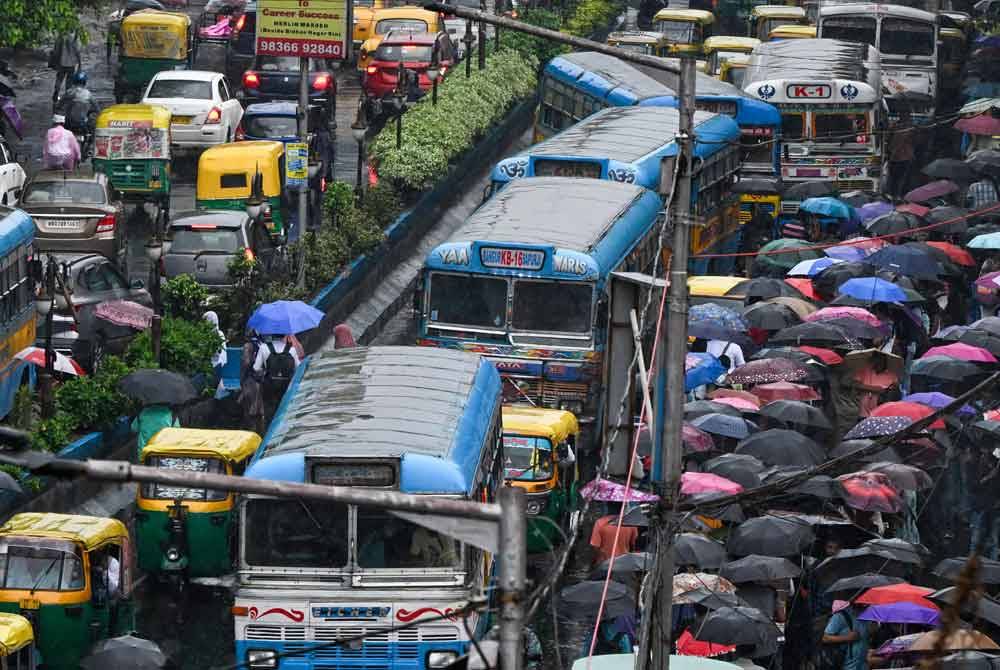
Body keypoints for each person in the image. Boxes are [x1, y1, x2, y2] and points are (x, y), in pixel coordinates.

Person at [252, 332, 302, 418]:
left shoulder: (264, 347)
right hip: (286, 387)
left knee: (269, 413)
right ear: (285, 335)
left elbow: (256, 368)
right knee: (285, 412)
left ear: (271, 334)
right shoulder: (291, 349)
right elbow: (299, 369)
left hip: (269, 387)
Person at [821, 600, 871, 670]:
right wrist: (847, 638)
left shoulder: (867, 617)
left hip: (862, 665)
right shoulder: (840, 616)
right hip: (846, 665)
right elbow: (825, 638)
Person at [57, 71, 99, 139]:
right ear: (85, 82)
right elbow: (96, 106)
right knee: (93, 129)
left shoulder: (70, 92)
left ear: (74, 81)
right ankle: (90, 145)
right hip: (82, 122)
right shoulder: (88, 94)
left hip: (69, 122)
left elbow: (61, 103)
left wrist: (58, 107)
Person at [887, 114, 915, 200]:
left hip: (898, 157)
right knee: (899, 178)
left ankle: (895, 195)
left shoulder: (895, 127)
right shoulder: (910, 128)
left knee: (896, 178)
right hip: (901, 157)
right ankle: (897, 195)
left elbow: (889, 140)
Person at [49, 32, 81, 106]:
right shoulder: (74, 36)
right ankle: (67, 98)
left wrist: (54, 62)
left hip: (61, 63)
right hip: (71, 64)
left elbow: (56, 50)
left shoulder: (60, 36)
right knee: (69, 82)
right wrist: (80, 64)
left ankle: (56, 92)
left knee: (59, 79)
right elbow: (77, 51)